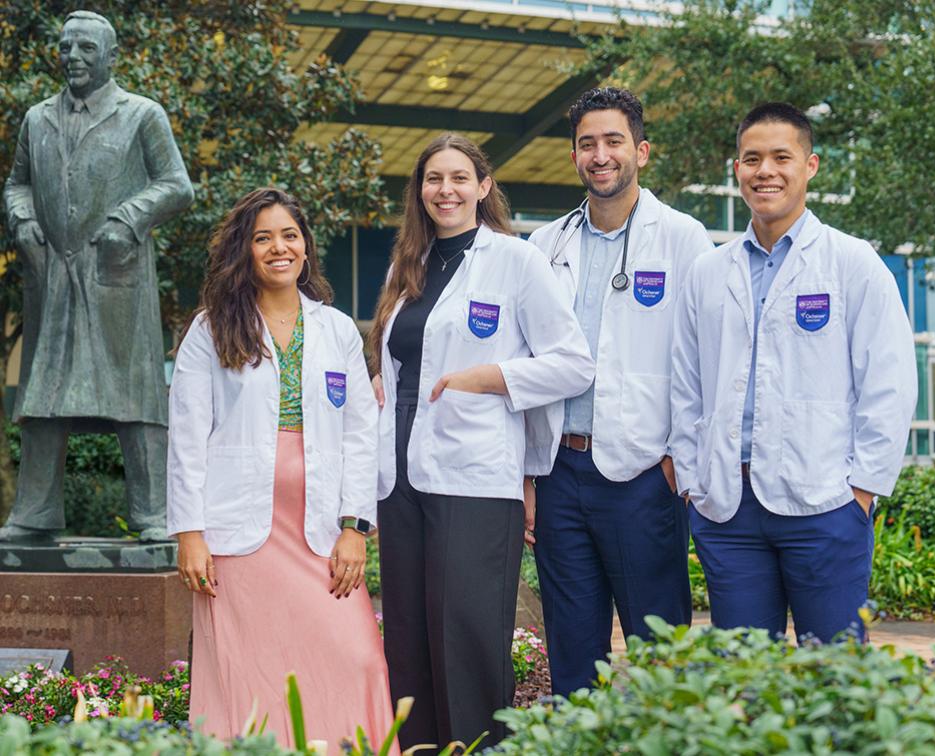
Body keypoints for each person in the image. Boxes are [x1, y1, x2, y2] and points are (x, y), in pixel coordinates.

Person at [368, 134, 593, 750]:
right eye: (434, 179)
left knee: (466, 642)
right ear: (419, 191)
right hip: (401, 480)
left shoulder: (515, 262)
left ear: (483, 187)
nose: (447, 190)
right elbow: (398, 364)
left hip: (474, 480)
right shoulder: (403, 267)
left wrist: (493, 377)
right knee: (409, 639)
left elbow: (574, 363)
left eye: (459, 178)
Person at [670, 102, 917, 642]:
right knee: (745, 677)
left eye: (782, 157)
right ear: (736, 169)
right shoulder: (709, 272)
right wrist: (693, 482)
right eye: (752, 158)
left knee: (834, 675)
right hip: (728, 511)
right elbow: (685, 385)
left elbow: (890, 382)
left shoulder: (852, 263)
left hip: (825, 505)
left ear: (811, 165)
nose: (766, 171)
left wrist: (862, 490)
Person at [167, 188, 397, 754]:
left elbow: (360, 434)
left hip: (320, 528)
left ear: (306, 248)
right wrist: (189, 534)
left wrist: (354, 527)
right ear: (243, 251)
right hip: (237, 532)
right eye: (262, 237)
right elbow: (188, 437)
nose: (278, 247)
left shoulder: (338, 328)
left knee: (357, 655)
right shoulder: (212, 328)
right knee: (248, 672)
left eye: (289, 235)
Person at [524, 87, 715, 696]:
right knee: (573, 653)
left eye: (613, 141)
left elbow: (705, 357)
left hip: (641, 476)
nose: (600, 155)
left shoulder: (683, 239)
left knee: (661, 653)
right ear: (573, 155)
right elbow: (525, 360)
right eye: (587, 144)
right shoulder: (543, 245)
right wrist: (528, 472)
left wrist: (673, 462)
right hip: (559, 471)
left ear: (641, 150)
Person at [2, 10, 193, 543]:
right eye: (66, 48)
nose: (74, 58)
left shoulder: (142, 115)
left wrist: (128, 219)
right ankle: (36, 509)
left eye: (87, 49)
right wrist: (22, 220)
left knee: (133, 397)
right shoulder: (37, 118)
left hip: (116, 276)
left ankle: (152, 512)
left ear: (111, 57)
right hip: (53, 275)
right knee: (43, 396)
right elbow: (17, 184)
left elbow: (177, 185)